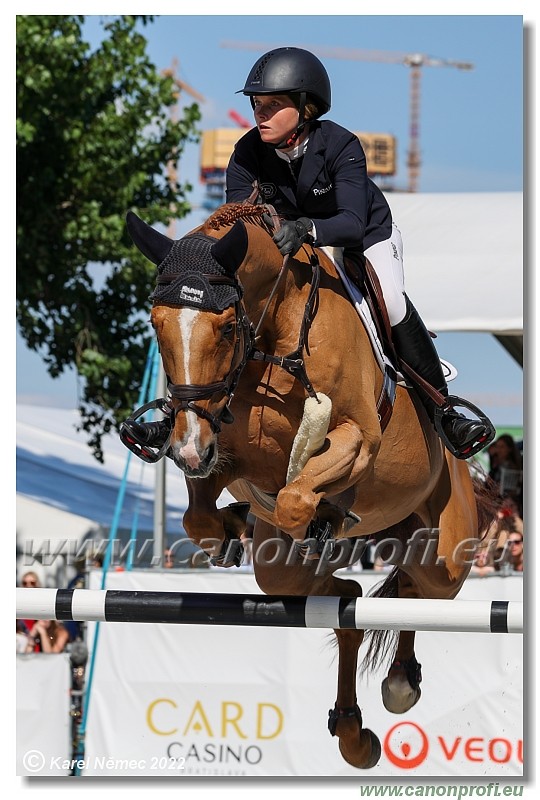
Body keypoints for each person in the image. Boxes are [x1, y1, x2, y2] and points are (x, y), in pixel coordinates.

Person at [121, 46, 494, 461]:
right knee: (228, 313)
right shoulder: (246, 152)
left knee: (388, 302)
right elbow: (234, 221)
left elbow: (351, 220)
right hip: (287, 244)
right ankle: (182, 412)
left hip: (360, 237)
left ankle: (444, 410)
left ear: (306, 107)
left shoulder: (340, 145)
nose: (260, 114)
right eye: (257, 104)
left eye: (273, 105)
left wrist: (307, 228)